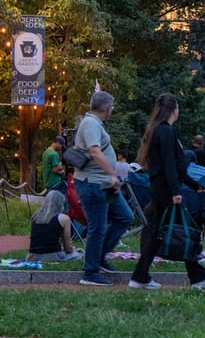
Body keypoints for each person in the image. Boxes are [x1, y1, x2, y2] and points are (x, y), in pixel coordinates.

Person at [129, 93, 205, 290]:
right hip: (167, 190)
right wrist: (176, 191)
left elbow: (175, 165)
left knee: (157, 232)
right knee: (184, 229)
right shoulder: (166, 132)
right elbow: (170, 165)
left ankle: (140, 276)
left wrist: (193, 184)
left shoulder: (157, 131)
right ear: (173, 109)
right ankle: (198, 277)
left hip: (160, 188)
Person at [73, 90, 134, 287]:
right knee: (97, 227)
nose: (112, 111)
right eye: (112, 108)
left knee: (125, 216)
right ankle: (90, 272)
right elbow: (94, 151)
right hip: (94, 182)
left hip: (103, 183)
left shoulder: (95, 123)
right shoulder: (90, 124)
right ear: (107, 108)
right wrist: (111, 174)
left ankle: (99, 257)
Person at [26, 190, 82, 262]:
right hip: (53, 255)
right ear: (60, 203)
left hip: (32, 256)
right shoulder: (64, 218)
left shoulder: (35, 216)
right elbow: (68, 248)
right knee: (78, 255)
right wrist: (73, 250)